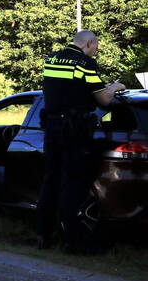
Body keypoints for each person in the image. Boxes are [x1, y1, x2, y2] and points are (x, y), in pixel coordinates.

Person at [37, 30, 124, 253]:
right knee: (72, 183)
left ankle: (43, 236)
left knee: (50, 181)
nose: (97, 50)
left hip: (52, 128)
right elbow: (104, 99)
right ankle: (72, 241)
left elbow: (61, 90)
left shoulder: (52, 59)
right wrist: (115, 87)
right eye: (96, 46)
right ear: (89, 43)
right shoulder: (85, 63)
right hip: (73, 131)